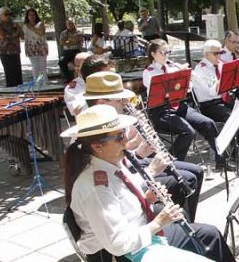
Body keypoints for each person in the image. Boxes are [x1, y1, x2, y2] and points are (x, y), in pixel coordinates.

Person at [61, 105, 239, 262]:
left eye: (123, 133)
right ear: (97, 146)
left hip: (136, 239)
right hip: (117, 261)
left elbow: (121, 207)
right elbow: (118, 244)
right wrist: (159, 222)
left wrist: (146, 199)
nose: (126, 141)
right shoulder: (95, 187)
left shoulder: (109, 162)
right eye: (119, 137)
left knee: (209, 235)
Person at [83, 71, 205, 223]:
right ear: (102, 103)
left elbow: (122, 152)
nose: (125, 103)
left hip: (130, 165)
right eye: (120, 100)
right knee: (188, 179)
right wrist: (140, 156)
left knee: (197, 171)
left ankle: (186, 222)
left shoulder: (114, 120)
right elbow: (117, 172)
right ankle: (180, 223)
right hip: (125, 183)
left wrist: (138, 147)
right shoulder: (94, 132)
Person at [142, 39, 225, 169]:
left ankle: (221, 161)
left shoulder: (172, 67)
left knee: (208, 123)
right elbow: (161, 92)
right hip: (161, 111)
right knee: (188, 132)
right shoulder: (149, 72)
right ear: (153, 54)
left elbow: (189, 89)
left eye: (168, 52)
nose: (166, 56)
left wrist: (186, 78)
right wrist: (177, 77)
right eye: (163, 52)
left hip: (179, 106)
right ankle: (169, 165)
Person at [0, 7, 23, 87]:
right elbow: (2, 37)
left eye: (10, 14)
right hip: (5, 51)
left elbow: (22, 35)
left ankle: (20, 88)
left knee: (17, 71)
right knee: (10, 71)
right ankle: (11, 89)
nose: (8, 16)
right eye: (6, 14)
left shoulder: (13, 23)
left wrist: (18, 28)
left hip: (15, 50)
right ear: (0, 15)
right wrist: (16, 34)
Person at [22, 8, 49, 82]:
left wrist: (31, 27)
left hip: (41, 47)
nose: (32, 16)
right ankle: (37, 83)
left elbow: (41, 33)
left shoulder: (40, 24)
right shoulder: (24, 26)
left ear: (36, 15)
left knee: (42, 67)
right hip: (31, 48)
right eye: (30, 15)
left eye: (33, 15)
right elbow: (22, 36)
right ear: (27, 16)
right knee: (35, 67)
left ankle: (45, 83)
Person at [65, 52, 93, 116]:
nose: (93, 66)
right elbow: (78, 111)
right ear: (77, 69)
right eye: (88, 65)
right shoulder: (73, 87)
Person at [59, 18, 85, 83]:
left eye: (71, 23)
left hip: (77, 51)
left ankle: (80, 79)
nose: (70, 25)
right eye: (68, 24)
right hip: (66, 52)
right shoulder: (63, 33)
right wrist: (71, 40)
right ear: (66, 24)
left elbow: (76, 40)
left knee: (78, 63)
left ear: (74, 24)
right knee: (61, 62)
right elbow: (62, 42)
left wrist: (67, 40)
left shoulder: (79, 31)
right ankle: (68, 79)